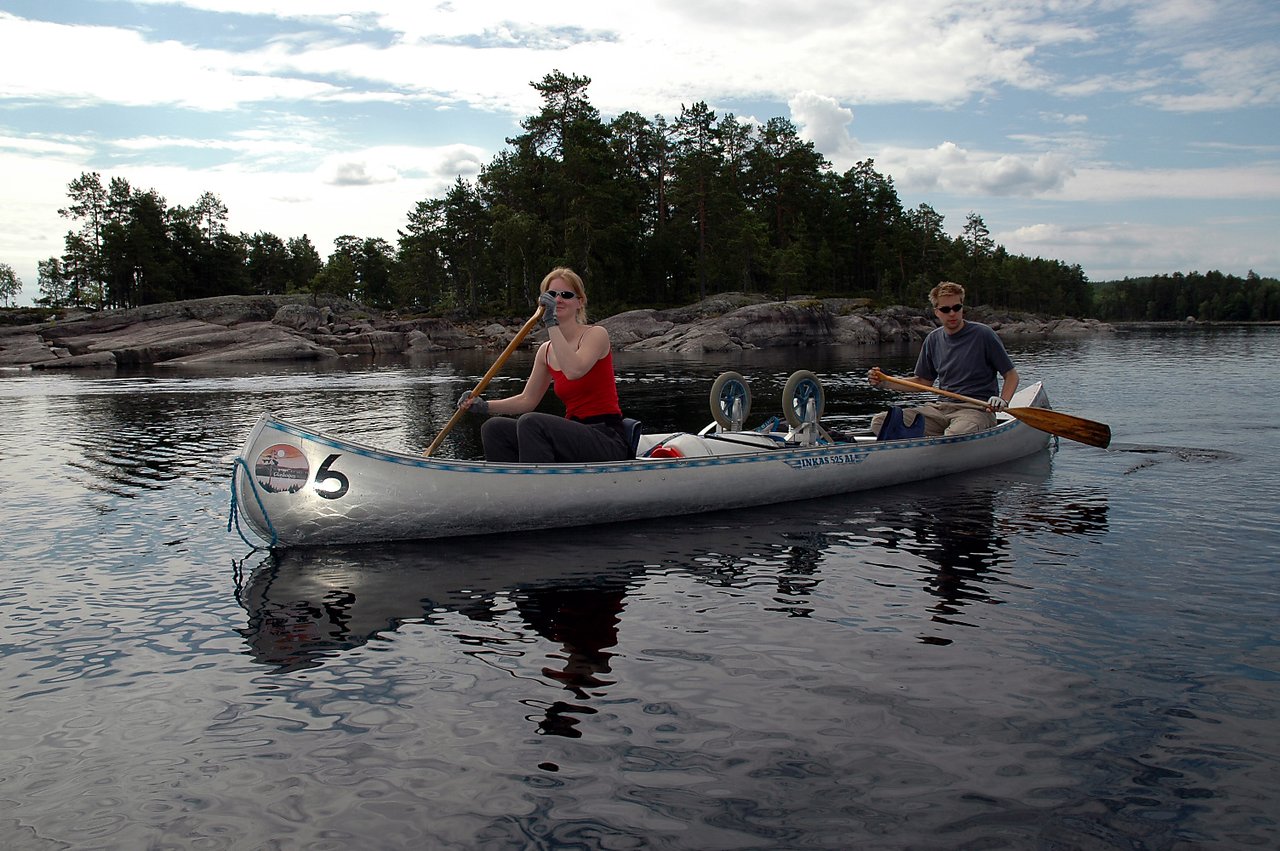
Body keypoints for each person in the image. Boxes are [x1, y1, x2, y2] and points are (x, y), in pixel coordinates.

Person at [456, 267, 632, 463]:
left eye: (566, 294)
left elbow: (574, 370)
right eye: (551, 294)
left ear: (579, 302)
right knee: (494, 428)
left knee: (531, 422)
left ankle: (536, 487)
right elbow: (527, 400)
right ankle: (508, 487)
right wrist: (484, 406)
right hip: (574, 435)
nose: (558, 299)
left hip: (606, 437)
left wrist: (551, 323)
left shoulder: (596, 335)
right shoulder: (546, 351)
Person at [866, 281, 1019, 437]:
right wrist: (885, 381)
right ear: (937, 312)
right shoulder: (933, 339)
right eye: (945, 309)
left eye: (956, 308)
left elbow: (1011, 375)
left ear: (962, 308)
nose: (952, 313)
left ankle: (942, 441)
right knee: (880, 422)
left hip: (976, 410)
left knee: (957, 433)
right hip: (941, 410)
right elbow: (923, 382)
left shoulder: (983, 334)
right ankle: (928, 444)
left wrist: (1003, 401)